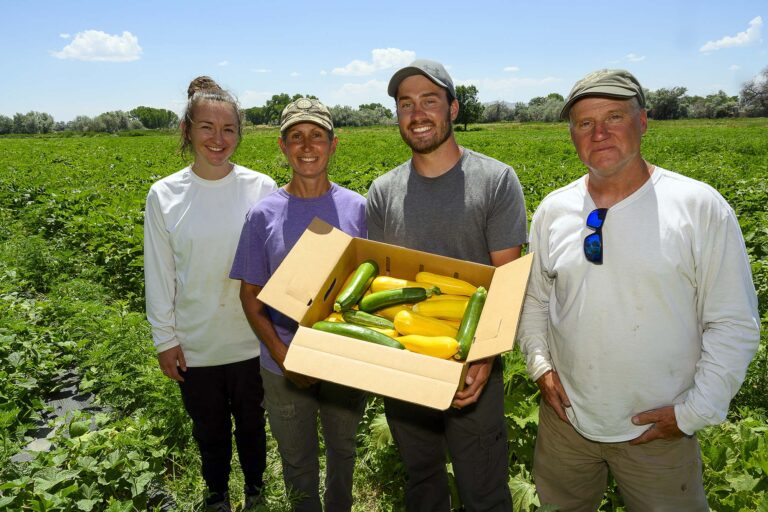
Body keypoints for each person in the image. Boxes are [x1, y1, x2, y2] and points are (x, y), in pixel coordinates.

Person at [517, 69, 760, 511]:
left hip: (656, 432)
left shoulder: (698, 207)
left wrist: (692, 414)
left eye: (614, 116)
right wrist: (539, 366)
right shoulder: (554, 209)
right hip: (565, 424)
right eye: (585, 123)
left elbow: (733, 322)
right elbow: (535, 298)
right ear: (571, 134)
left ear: (643, 121)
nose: (600, 133)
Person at [366, 59, 528, 511]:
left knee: (484, 491)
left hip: (472, 367)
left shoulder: (495, 181)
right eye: (405, 104)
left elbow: (506, 280)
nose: (417, 113)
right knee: (422, 484)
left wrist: (482, 358)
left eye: (429, 101)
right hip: (405, 368)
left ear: (454, 108)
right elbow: (381, 286)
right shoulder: (382, 191)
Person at [143, 76, 277, 512]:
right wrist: (166, 339)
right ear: (187, 130)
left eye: (228, 130)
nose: (218, 140)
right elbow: (160, 274)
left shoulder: (262, 188)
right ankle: (217, 493)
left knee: (253, 424)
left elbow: (280, 268)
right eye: (206, 128)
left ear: (239, 134)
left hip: (253, 338)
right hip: (197, 343)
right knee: (210, 429)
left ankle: (256, 490)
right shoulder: (164, 195)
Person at [230, 97, 367, 512]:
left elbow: (372, 284)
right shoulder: (263, 214)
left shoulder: (358, 208)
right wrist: (283, 355)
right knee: (297, 460)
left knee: (343, 451)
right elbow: (250, 296)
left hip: (343, 358)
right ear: (282, 146)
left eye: (317, 136)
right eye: (296, 137)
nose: (307, 145)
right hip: (282, 365)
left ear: (333, 144)